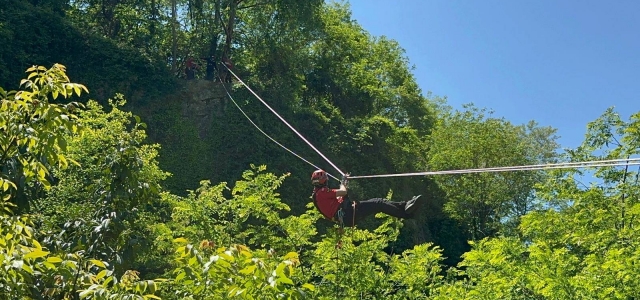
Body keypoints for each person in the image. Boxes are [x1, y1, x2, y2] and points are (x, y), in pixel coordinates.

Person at [311, 170, 422, 227]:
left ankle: (405, 206)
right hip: (347, 213)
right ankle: (406, 213)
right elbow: (343, 192)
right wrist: (343, 182)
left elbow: (339, 196)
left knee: (379, 203)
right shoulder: (322, 192)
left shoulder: (318, 195)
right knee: (379, 203)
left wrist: (344, 183)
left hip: (346, 216)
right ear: (324, 181)